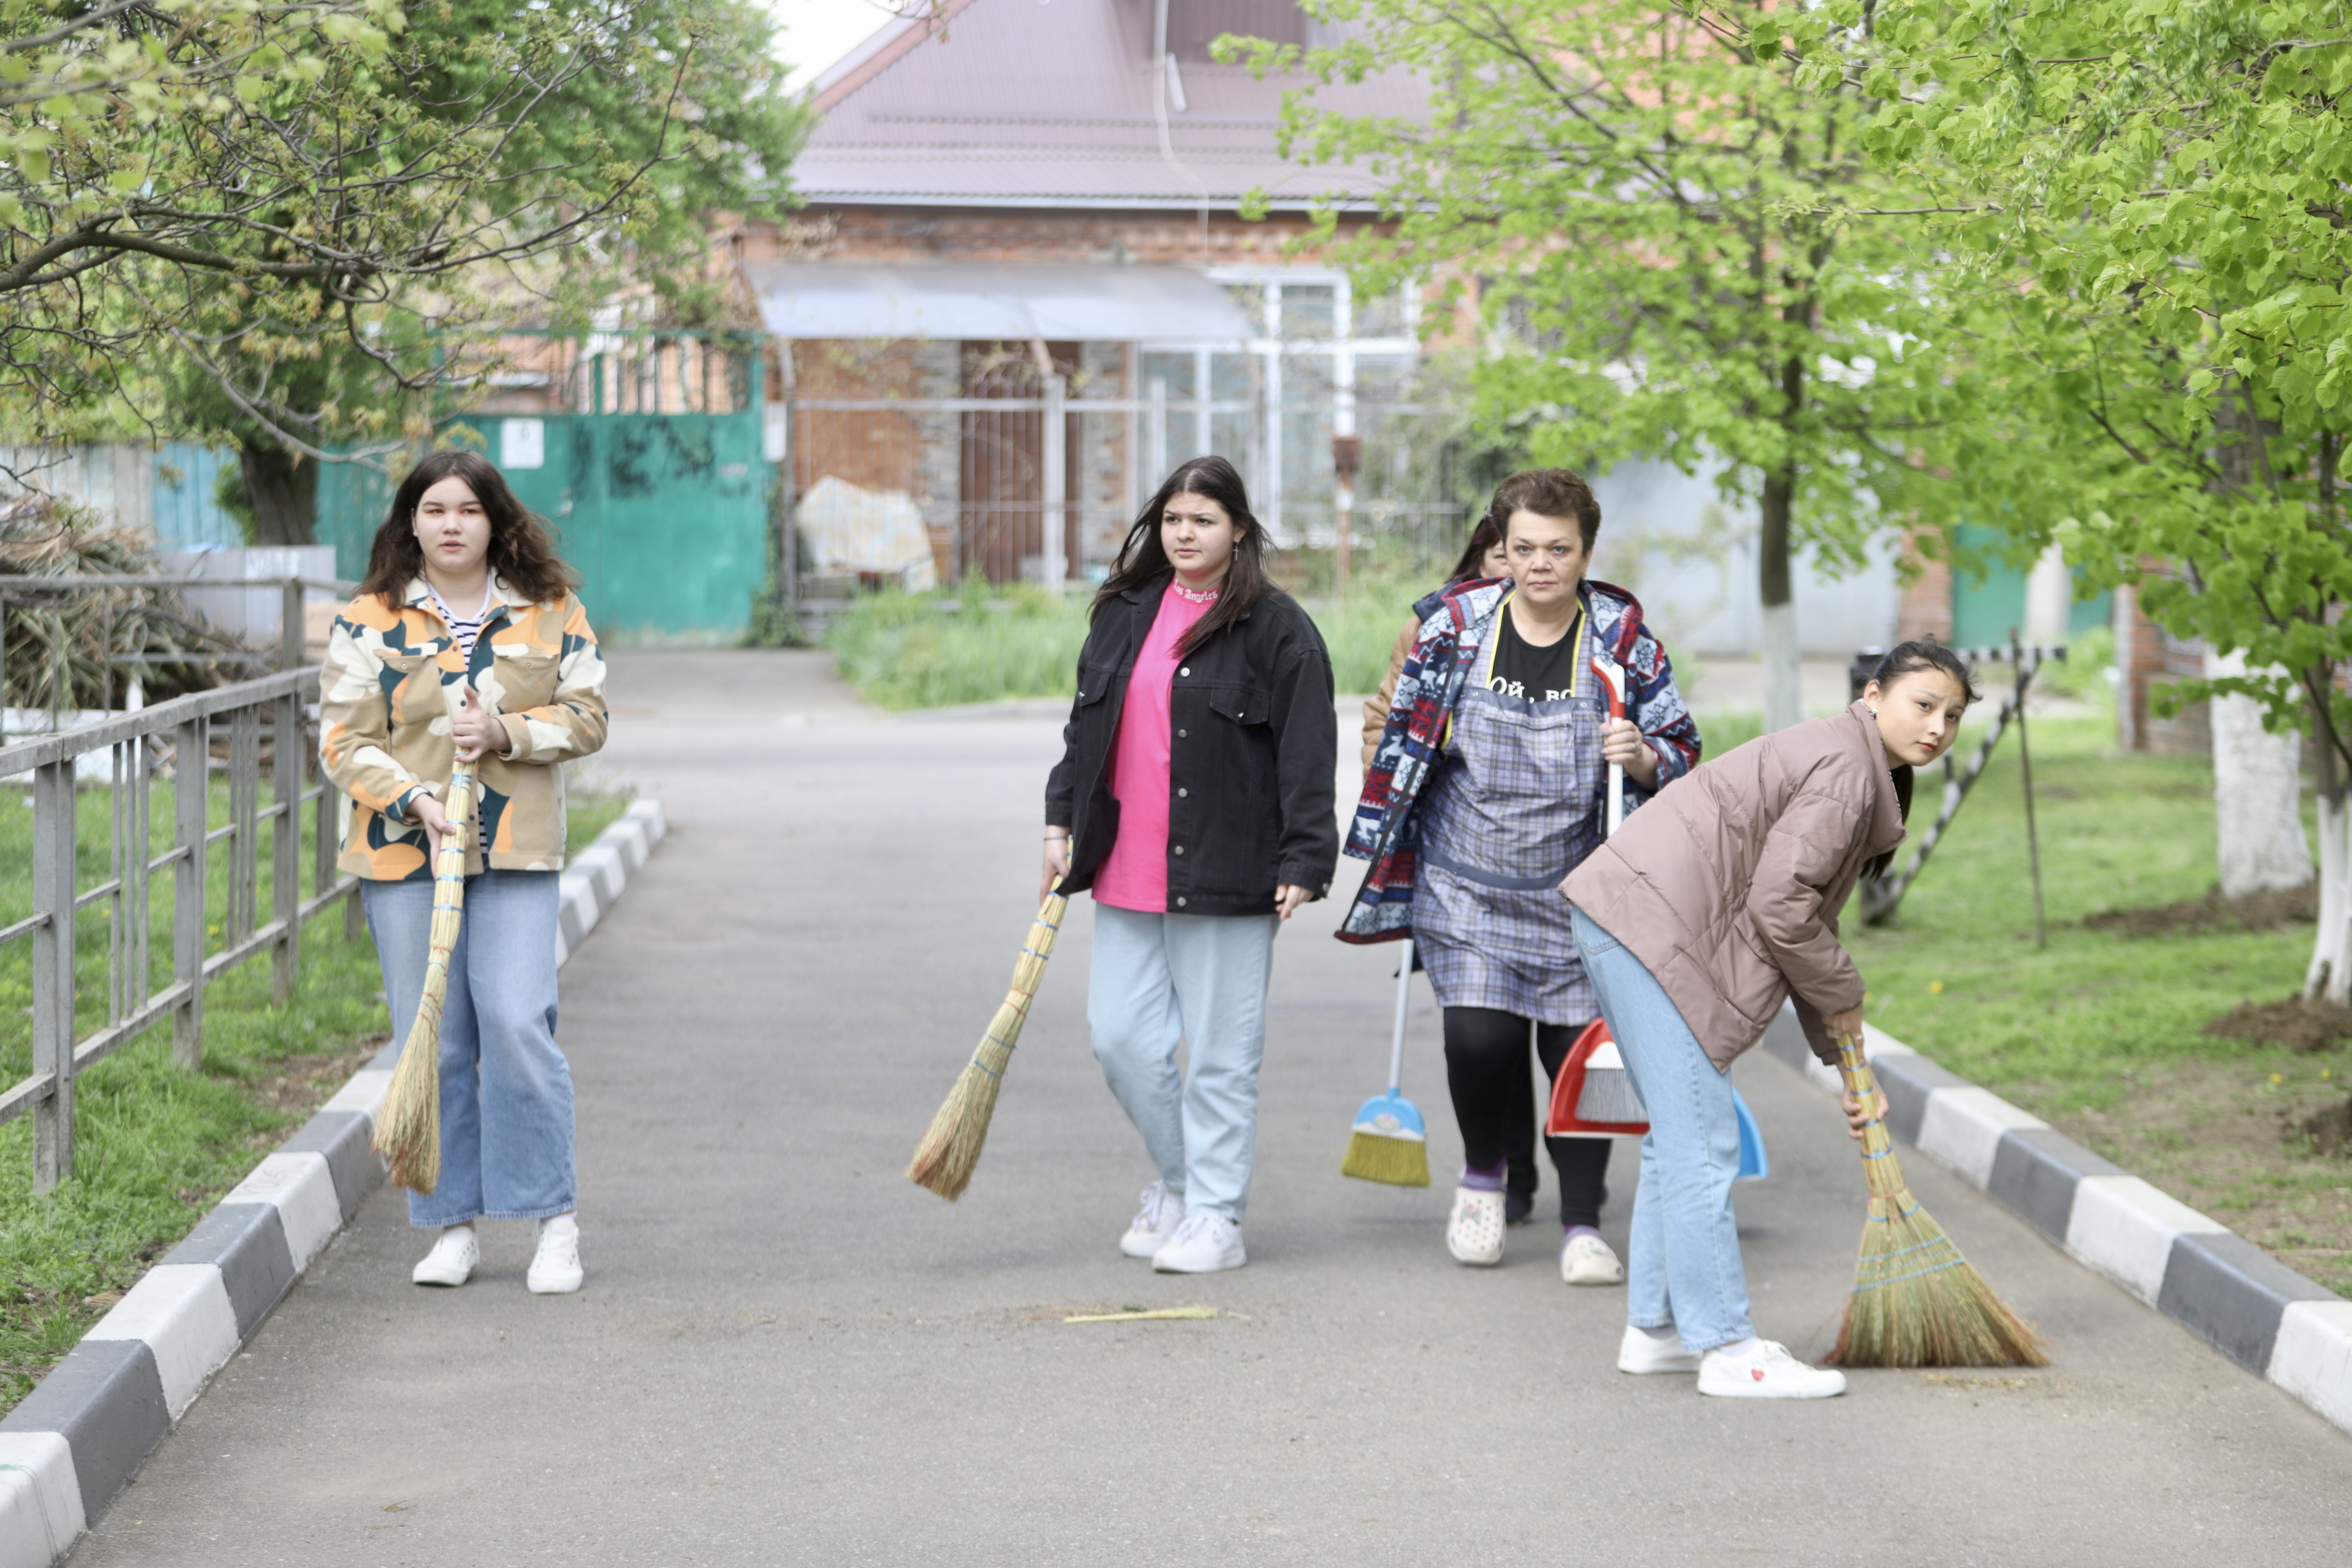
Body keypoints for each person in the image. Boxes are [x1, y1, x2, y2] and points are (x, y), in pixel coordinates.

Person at [1563, 640, 1977, 1398]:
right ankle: (1725, 1346)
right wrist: (1846, 998)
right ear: (1874, 694)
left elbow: (1803, 916)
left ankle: (1656, 1331)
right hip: (1654, 928)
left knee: (1678, 1141)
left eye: (1952, 715)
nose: (1938, 726)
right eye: (1924, 704)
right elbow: (1783, 909)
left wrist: (1841, 1049)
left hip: (1629, 919)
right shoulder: (1850, 774)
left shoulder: (1852, 762)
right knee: (1702, 1145)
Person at [1343, 469, 1700, 1285]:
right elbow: (1395, 733)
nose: (1541, 564)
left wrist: (1641, 755)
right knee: (1480, 1037)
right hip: (1466, 881)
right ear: (1502, 549)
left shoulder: (1624, 641)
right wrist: (1401, 774)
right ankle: (1482, 1182)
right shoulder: (1453, 631)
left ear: (1586, 552)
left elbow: (1682, 747)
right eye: (1526, 548)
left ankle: (1583, 1222)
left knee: (1578, 1056)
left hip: (1581, 890)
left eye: (1560, 549)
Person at [321, 449, 609, 1294]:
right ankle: (450, 1225)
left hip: (516, 846)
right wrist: (414, 797)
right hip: (408, 851)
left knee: (519, 1022)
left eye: (469, 510)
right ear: (411, 520)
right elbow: (343, 740)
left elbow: (589, 715)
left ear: (496, 521)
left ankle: (554, 1221)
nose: (452, 524)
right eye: (435, 508)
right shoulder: (369, 618)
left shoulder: (552, 611)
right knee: (434, 1039)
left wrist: (509, 735)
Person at [1044, 455, 1338, 1275]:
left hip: (1231, 869)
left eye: (1203, 520)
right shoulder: (1123, 614)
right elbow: (1083, 731)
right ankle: (1180, 1182)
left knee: (1219, 1056)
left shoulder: (1279, 631)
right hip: (1126, 866)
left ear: (1238, 529)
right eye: (1174, 519)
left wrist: (1306, 858)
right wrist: (1058, 821)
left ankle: (1216, 1215)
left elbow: (1308, 755)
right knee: (1120, 1040)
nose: (1185, 534)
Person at [1358, 517, 1508, 771]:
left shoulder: (1589, 634)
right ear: (1482, 565)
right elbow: (1385, 718)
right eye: (1504, 556)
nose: (1522, 566)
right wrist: (1388, 796)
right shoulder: (1431, 628)